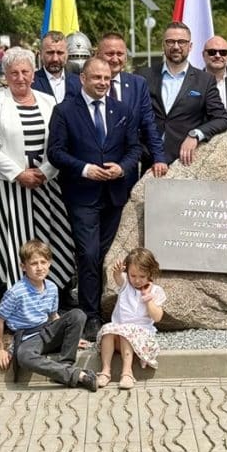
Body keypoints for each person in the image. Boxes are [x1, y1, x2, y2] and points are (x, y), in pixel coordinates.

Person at [47, 57, 142, 342]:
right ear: (83, 79)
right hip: (82, 194)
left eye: (106, 79)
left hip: (114, 195)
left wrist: (123, 167)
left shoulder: (121, 110)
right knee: (87, 254)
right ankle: (89, 315)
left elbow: (135, 147)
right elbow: (56, 152)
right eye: (97, 78)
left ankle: (107, 309)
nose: (102, 83)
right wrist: (85, 169)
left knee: (103, 257)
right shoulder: (64, 111)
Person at [0, 47, 76, 297]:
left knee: (48, 240)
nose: (20, 77)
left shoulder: (48, 101)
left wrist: (44, 171)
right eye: (14, 73)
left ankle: (50, 298)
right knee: (14, 244)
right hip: (9, 187)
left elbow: (59, 143)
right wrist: (19, 174)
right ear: (5, 75)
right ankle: (18, 301)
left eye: (25, 71)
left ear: (33, 73)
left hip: (46, 185)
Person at [0, 240, 97, 392]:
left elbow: (54, 317)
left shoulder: (52, 288)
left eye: (43, 262)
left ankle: (64, 367)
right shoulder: (15, 292)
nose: (39, 268)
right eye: (34, 263)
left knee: (77, 314)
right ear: (23, 267)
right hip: (28, 338)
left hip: (47, 331)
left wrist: (71, 337)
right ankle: (76, 375)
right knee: (24, 357)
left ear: (49, 264)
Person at [139, 21, 227, 165]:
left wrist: (195, 135)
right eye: (170, 42)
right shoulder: (144, 76)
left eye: (181, 42)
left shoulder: (204, 81)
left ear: (190, 46)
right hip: (148, 161)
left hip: (183, 163)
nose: (176, 46)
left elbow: (222, 119)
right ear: (163, 45)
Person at [95, 32, 168, 181]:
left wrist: (159, 157)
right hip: (92, 170)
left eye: (120, 53)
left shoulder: (138, 84)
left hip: (126, 170)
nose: (115, 59)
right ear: (97, 55)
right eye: (109, 53)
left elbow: (148, 123)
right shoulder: (81, 84)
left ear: (126, 57)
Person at [95, 248, 166, 390]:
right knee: (109, 329)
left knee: (126, 331)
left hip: (140, 338)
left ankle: (127, 373)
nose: (137, 280)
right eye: (133, 276)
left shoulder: (156, 291)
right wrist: (117, 271)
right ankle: (105, 371)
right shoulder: (126, 284)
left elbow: (157, 317)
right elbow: (118, 278)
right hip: (119, 335)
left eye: (142, 276)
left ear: (150, 273)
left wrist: (148, 299)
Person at [32, 31, 81, 104]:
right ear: (41, 54)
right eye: (50, 53)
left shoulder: (79, 83)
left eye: (60, 53)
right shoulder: (31, 82)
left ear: (67, 54)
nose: (55, 58)